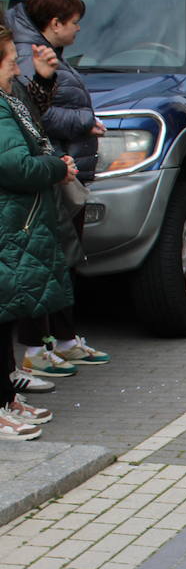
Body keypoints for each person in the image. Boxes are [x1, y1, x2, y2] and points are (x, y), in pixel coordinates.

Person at [7, 0, 111, 379]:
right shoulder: (26, 55)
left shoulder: (46, 55)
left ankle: (63, 339)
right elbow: (34, 115)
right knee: (45, 262)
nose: (78, 30)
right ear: (54, 23)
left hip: (66, 167)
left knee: (64, 259)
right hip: (51, 172)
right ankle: (37, 347)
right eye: (74, 23)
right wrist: (85, 122)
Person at [0, 23, 75, 438]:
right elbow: (13, 164)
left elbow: (31, 125)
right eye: (10, 62)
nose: (15, 69)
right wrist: (55, 167)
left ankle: (7, 395)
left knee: (6, 314)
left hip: (14, 222)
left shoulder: (9, 97)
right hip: (8, 221)